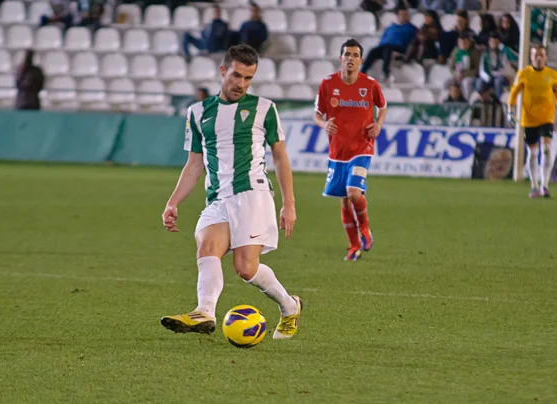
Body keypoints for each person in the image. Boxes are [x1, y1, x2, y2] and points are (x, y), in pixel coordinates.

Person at [160, 45, 302, 339]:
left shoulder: (264, 109)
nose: (241, 84)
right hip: (218, 198)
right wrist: (173, 202)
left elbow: (280, 157)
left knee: (245, 269)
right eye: (237, 75)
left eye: (248, 78)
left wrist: (289, 203)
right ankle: (204, 312)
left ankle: (290, 307)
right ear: (223, 71)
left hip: (252, 193)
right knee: (207, 247)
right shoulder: (198, 112)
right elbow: (194, 164)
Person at [313, 39, 388, 261]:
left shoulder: (370, 84)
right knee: (344, 199)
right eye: (347, 54)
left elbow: (382, 107)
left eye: (355, 55)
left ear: (361, 60)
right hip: (337, 151)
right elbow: (317, 114)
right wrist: (324, 124)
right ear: (340, 58)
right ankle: (354, 245)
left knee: (353, 193)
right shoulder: (327, 84)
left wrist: (379, 125)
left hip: (362, 147)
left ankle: (365, 229)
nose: (351, 58)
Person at [508, 45, 557, 198]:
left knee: (547, 149)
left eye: (541, 55)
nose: (539, 57)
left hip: (546, 118)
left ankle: (545, 185)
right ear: (531, 57)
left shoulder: (552, 75)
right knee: (532, 153)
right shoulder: (524, 73)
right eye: (536, 55)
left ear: (545, 57)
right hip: (528, 119)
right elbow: (513, 93)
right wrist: (510, 111)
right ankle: (534, 186)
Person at [360, 5, 417, 83]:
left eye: (405, 15)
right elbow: (383, 39)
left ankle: (386, 72)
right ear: (398, 16)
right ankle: (362, 72)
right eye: (401, 15)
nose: (403, 17)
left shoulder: (411, 28)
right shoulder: (391, 27)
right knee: (373, 50)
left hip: (399, 48)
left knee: (388, 49)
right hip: (385, 47)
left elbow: (411, 42)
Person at [477, 32, 518, 98]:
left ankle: (501, 100)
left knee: (498, 82)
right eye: (491, 41)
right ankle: (480, 102)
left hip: (502, 76)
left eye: (495, 41)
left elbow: (504, 67)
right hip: (489, 77)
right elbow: (482, 70)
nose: (493, 43)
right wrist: (488, 77)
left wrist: (493, 74)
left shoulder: (503, 52)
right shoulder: (485, 54)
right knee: (479, 82)